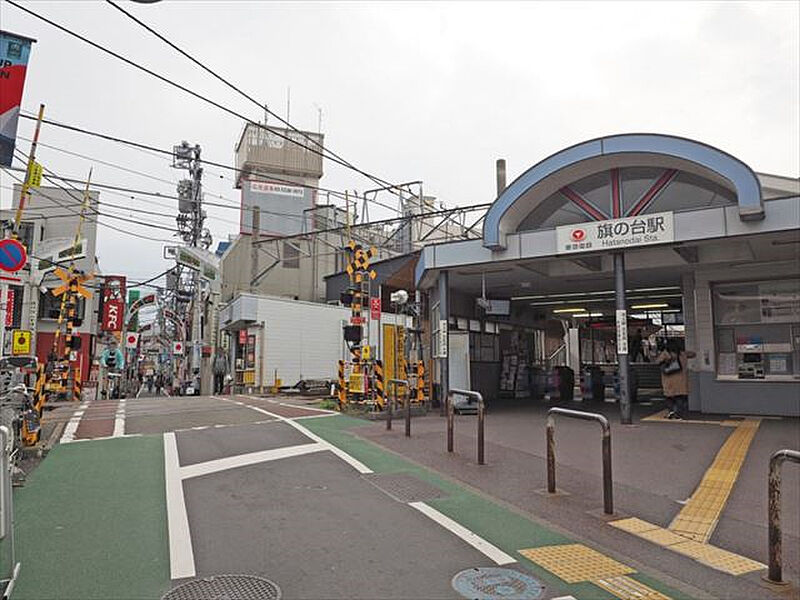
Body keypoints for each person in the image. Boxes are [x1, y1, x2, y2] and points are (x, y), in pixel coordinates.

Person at [657, 338, 696, 420]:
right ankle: (678, 414)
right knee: (680, 398)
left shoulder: (665, 354)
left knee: (669, 398)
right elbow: (693, 354)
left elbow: (658, 362)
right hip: (681, 381)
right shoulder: (683, 354)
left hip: (668, 381)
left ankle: (671, 412)